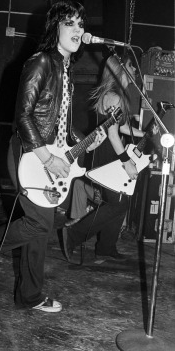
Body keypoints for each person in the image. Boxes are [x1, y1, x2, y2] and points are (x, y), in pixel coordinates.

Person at [0, 1, 106, 313]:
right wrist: (48, 159)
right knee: (39, 224)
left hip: (49, 153)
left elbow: (59, 123)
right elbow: (23, 116)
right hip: (29, 152)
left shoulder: (67, 71)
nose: (78, 29)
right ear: (56, 28)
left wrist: (85, 142)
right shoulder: (41, 61)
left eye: (81, 23)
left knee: (41, 227)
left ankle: (30, 295)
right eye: (70, 23)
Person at [62, 53, 149, 262]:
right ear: (120, 69)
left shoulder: (116, 95)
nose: (135, 69)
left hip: (108, 151)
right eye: (131, 65)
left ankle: (106, 247)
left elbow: (123, 127)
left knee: (120, 203)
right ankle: (73, 235)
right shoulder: (115, 96)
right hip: (109, 154)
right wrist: (126, 162)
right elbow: (112, 134)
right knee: (117, 204)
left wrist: (144, 134)